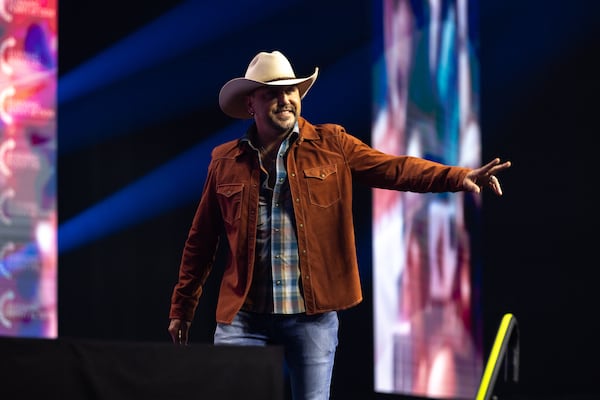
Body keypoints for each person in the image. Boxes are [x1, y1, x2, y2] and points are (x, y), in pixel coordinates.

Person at [167, 50, 511, 400]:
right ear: (251, 103)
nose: (284, 100)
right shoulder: (225, 161)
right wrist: (182, 309)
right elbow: (201, 240)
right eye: (271, 93)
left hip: (311, 317)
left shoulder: (333, 145)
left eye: (291, 91)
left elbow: (396, 169)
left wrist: (459, 176)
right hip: (243, 317)